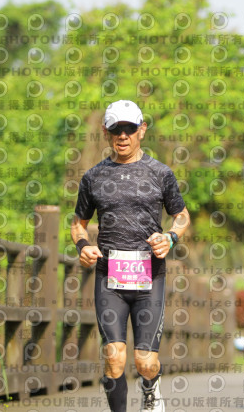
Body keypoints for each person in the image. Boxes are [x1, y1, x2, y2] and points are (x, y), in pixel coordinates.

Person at [70, 99, 190, 412]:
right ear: (105, 132)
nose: (123, 136)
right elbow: (78, 225)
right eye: (115, 129)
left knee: (145, 360)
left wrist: (170, 237)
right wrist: (84, 246)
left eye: (129, 129)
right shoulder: (93, 177)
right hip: (109, 279)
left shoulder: (160, 174)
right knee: (114, 358)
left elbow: (182, 216)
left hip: (150, 277)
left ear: (142, 130)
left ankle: (151, 388)